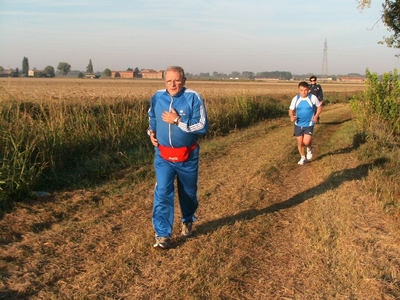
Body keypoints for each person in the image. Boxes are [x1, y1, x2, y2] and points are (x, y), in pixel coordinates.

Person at [147, 66, 209, 249]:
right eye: (169, 81)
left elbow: (202, 126)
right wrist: (151, 132)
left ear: (184, 80)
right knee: (163, 193)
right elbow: (152, 118)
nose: (173, 84)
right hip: (163, 156)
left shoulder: (193, 97)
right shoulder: (157, 97)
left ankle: (188, 219)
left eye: (177, 80)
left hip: (187, 156)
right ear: (164, 81)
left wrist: (177, 121)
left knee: (188, 193)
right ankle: (162, 235)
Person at [288, 81, 322, 165]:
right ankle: (303, 157)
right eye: (301, 90)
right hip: (298, 124)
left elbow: (319, 106)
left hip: (309, 124)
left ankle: (309, 148)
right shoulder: (295, 99)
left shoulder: (312, 98)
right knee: (300, 142)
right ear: (299, 90)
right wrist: (291, 117)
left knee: (306, 142)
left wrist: (316, 115)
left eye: (305, 90)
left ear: (309, 90)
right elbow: (291, 110)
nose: (304, 92)